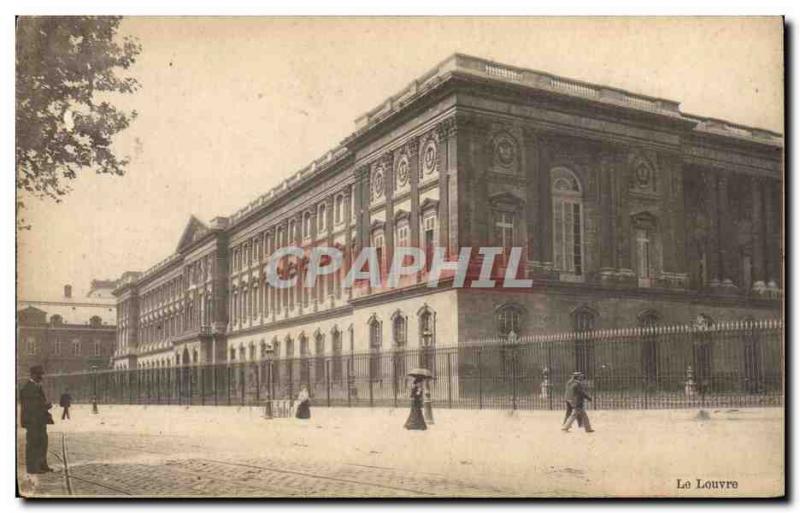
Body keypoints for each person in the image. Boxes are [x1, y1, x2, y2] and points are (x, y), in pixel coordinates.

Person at [19, 365, 54, 474]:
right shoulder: (28, 388)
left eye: (41, 374)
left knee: (43, 443)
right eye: (39, 375)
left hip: (39, 421)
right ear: (33, 375)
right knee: (33, 444)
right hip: (32, 421)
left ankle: (42, 465)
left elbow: (37, 403)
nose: (41, 377)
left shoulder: (36, 387)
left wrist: (44, 406)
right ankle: (33, 468)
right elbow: (31, 406)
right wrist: (45, 406)